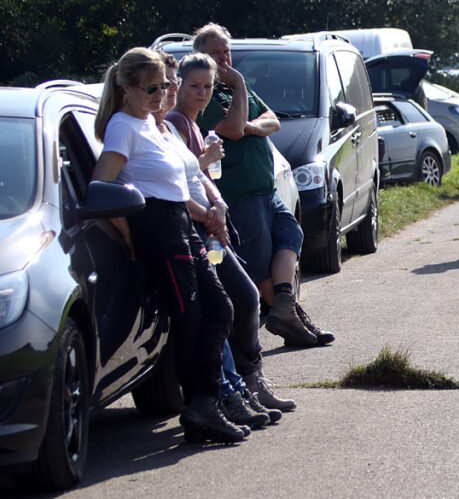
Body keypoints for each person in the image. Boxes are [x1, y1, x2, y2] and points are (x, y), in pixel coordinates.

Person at [91, 47, 244, 443]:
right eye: (150, 89)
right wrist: (128, 236)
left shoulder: (150, 124)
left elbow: (175, 185)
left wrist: (207, 210)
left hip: (183, 225)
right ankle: (201, 406)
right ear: (126, 89)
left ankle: (206, 402)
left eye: (163, 86)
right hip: (158, 228)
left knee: (220, 307)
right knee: (189, 319)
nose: (160, 96)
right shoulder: (124, 125)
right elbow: (102, 187)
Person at [165, 52, 295, 418]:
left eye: (207, 86)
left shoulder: (187, 123)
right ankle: (234, 389)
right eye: (193, 86)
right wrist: (209, 206)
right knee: (233, 302)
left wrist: (217, 203)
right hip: (195, 234)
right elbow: (176, 184)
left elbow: (199, 177)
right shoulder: (175, 122)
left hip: (212, 231)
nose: (202, 93)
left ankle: (244, 384)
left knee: (239, 300)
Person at [191, 23, 334, 352]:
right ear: (200, 55)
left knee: (291, 235)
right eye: (216, 52)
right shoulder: (207, 93)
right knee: (258, 262)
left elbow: (272, 120)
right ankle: (292, 320)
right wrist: (241, 95)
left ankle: (287, 311)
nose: (224, 58)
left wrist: (250, 123)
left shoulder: (236, 87)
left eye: (226, 50)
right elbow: (231, 128)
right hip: (239, 194)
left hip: (264, 188)